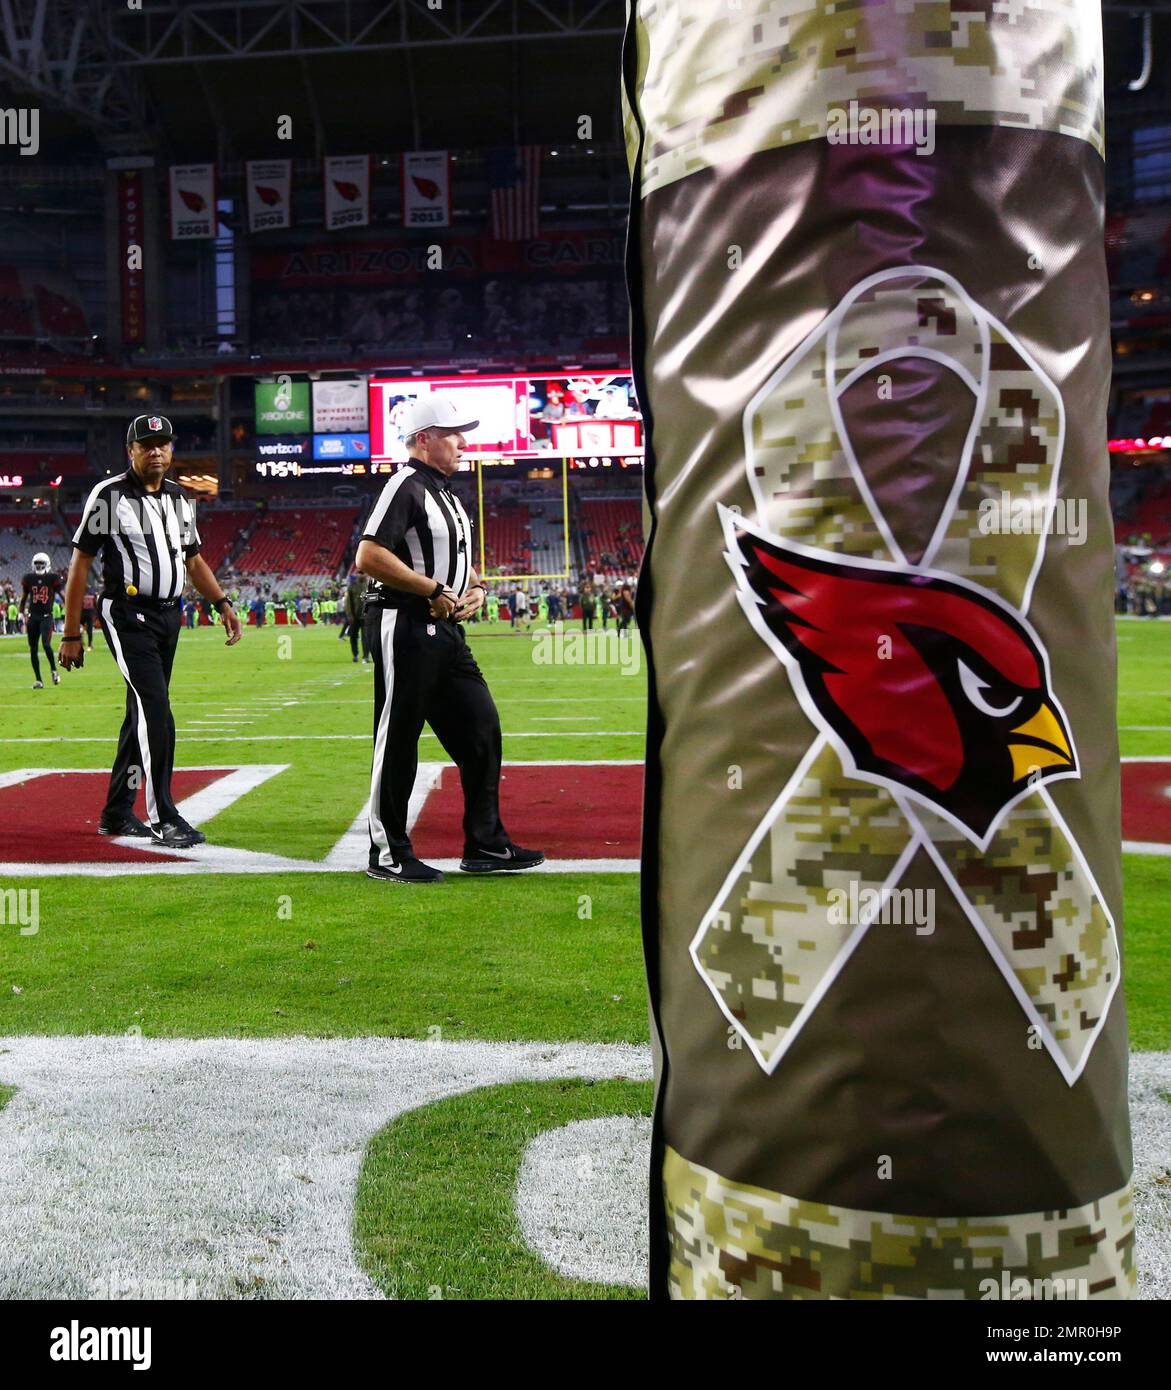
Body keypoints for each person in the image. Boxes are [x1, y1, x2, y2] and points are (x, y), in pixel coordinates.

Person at [356, 394, 544, 884]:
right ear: (424, 439)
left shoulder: (447, 495)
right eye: (453, 433)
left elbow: (457, 558)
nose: (463, 443)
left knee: (482, 730)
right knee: (398, 737)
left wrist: (477, 587)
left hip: (447, 629)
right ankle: (388, 852)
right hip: (407, 624)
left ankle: (485, 843)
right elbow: (369, 556)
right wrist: (432, 589)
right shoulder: (403, 485)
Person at [58, 415, 243, 845]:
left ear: (172, 449)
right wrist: (70, 633)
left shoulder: (181, 498)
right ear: (131, 451)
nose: (156, 451)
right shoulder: (109, 496)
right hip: (128, 614)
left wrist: (222, 603)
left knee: (140, 713)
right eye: (147, 445)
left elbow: (193, 559)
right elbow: (81, 562)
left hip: (169, 615)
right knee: (157, 710)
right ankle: (164, 815)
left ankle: (117, 811)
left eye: (163, 444)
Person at [20, 551, 63, 689]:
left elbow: (62, 594)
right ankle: (38, 680)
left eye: (41, 564)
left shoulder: (52, 578)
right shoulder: (28, 578)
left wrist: (67, 607)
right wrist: (21, 612)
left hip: (46, 616)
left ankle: (54, 670)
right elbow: (24, 596)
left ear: (47, 564)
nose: (39, 566)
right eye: (37, 563)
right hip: (33, 616)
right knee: (33, 648)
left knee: (46, 644)